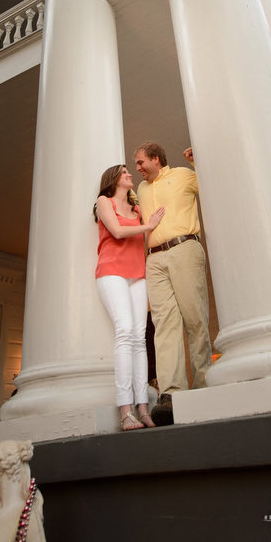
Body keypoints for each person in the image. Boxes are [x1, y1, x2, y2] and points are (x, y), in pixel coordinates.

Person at [134, 142, 212, 426]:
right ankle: (171, 393)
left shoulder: (182, 175)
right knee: (163, 324)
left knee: (195, 319)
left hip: (184, 248)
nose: (138, 167)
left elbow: (214, 185)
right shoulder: (140, 190)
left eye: (141, 162)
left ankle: (204, 386)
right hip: (153, 258)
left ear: (156, 159)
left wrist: (197, 163)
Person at [94, 164, 165, 430]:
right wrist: (149, 225)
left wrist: (148, 223)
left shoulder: (136, 209)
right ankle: (125, 412)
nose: (129, 174)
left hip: (138, 273)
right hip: (111, 271)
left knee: (139, 337)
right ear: (114, 178)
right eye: (125, 171)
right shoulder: (104, 201)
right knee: (124, 332)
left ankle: (143, 408)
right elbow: (117, 231)